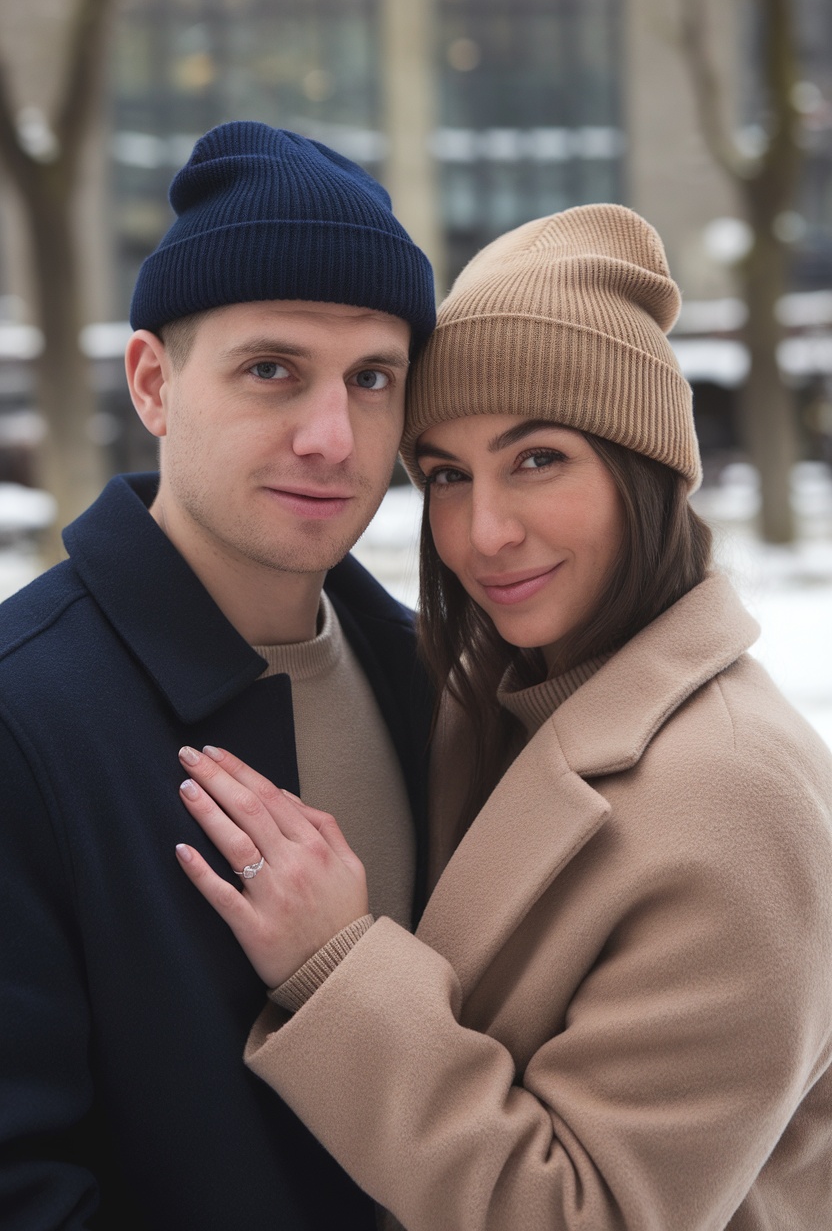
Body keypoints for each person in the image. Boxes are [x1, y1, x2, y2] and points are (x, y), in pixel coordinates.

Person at [174, 204, 832, 1230]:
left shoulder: (732, 795)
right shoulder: (485, 702)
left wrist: (336, 965)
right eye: (445, 475)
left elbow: (590, 1214)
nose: (484, 533)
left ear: (642, 469)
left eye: (537, 460)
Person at [0, 121, 436, 1230]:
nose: (332, 437)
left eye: (372, 378)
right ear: (153, 382)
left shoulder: (435, 686)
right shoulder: (24, 718)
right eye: (272, 370)